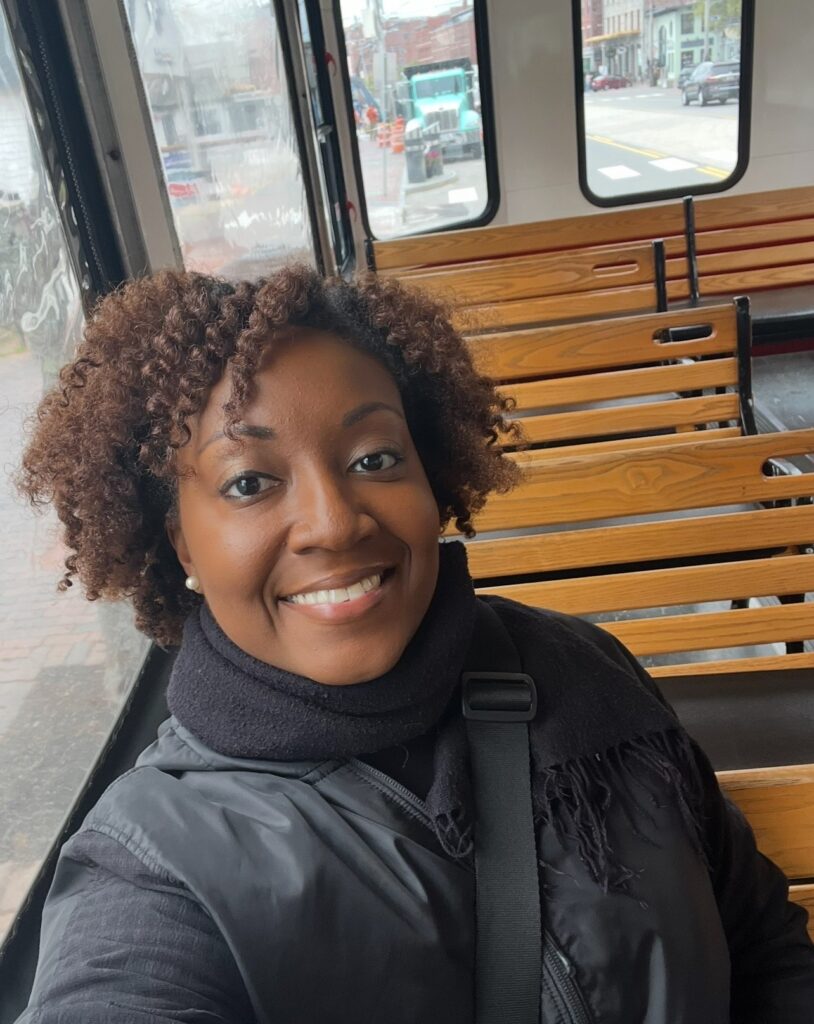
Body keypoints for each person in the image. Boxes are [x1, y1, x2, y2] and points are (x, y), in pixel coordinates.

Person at [15, 267, 814, 1022]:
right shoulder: (153, 865)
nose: (334, 522)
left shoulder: (579, 668)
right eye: (249, 482)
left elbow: (762, 945)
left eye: (374, 458)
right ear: (180, 544)